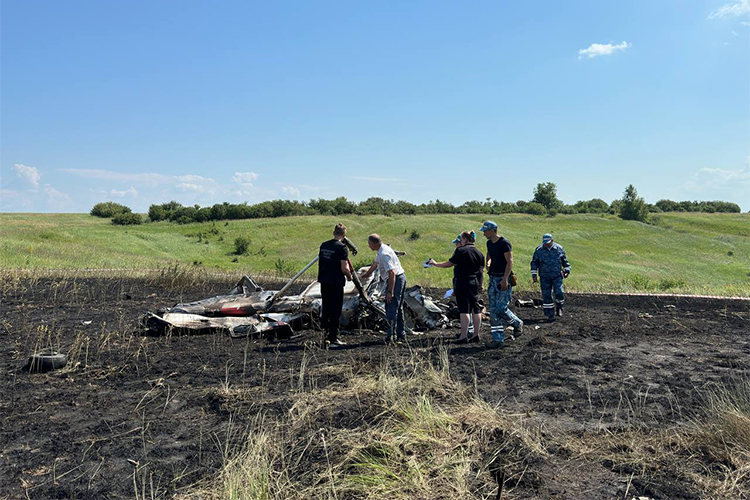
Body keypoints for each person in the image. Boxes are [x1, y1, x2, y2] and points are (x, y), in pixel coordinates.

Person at [427, 231, 484, 343]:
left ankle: (463, 336)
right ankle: (476, 335)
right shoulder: (479, 252)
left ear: (465, 239)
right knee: (475, 308)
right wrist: (480, 285)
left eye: (462, 239)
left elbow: (449, 263)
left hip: (463, 281)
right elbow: (481, 272)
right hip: (475, 281)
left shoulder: (461, 251)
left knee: (464, 310)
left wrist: (435, 263)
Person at [479, 220, 523, 349]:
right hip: (492, 277)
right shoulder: (489, 243)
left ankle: (517, 323)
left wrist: (504, 279)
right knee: (493, 310)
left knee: (500, 308)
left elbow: (510, 262)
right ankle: (498, 339)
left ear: (492, 230)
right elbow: (489, 254)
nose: (484, 234)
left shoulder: (504, 243)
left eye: (485, 231)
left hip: (503, 278)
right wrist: (488, 262)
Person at [360, 234, 407, 343]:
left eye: (369, 244)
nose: (368, 246)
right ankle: (401, 334)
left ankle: (391, 336)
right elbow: (375, 264)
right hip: (400, 277)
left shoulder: (384, 253)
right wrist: (366, 275)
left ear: (374, 243)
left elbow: (392, 273)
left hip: (396, 279)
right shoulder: (382, 250)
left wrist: (390, 291)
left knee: (391, 305)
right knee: (398, 307)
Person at [317, 223, 353, 347]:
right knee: (335, 310)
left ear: (334, 233)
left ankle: (324, 335)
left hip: (324, 281)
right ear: (344, 235)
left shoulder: (324, 245)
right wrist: (349, 276)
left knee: (326, 308)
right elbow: (344, 268)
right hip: (336, 282)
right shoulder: (342, 248)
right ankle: (333, 338)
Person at [531, 233, 571, 322]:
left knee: (559, 292)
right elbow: (534, 262)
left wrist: (567, 270)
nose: (546, 244)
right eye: (545, 242)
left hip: (557, 276)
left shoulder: (559, 249)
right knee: (546, 295)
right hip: (544, 276)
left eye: (548, 242)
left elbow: (565, 262)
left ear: (552, 241)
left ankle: (559, 307)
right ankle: (549, 314)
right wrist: (534, 274)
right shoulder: (539, 250)